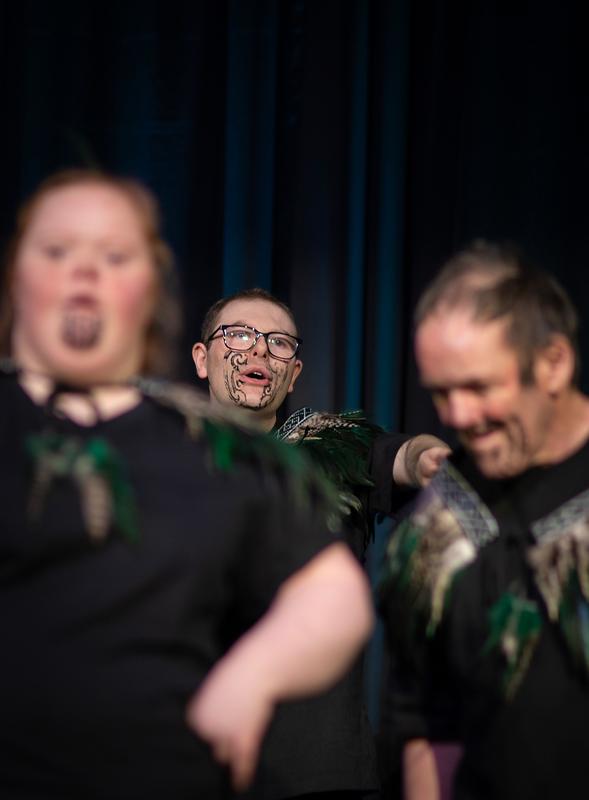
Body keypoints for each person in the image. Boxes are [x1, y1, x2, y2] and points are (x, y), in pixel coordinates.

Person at [0, 168, 374, 799]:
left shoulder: (208, 452)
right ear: (18, 276)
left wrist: (250, 677)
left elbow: (334, 599)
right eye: (58, 249)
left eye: (115, 255)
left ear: (149, 291)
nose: (85, 270)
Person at [192, 289, 450, 799]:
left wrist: (427, 457)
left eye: (279, 343)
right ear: (203, 358)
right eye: (240, 334)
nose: (261, 351)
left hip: (319, 770)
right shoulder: (162, 457)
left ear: (294, 371)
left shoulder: (337, 445)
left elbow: (401, 457)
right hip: (195, 761)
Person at [379, 241, 589, 800]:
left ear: (553, 363)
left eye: (478, 387)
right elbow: (420, 719)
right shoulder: (437, 524)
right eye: (441, 394)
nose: (458, 417)